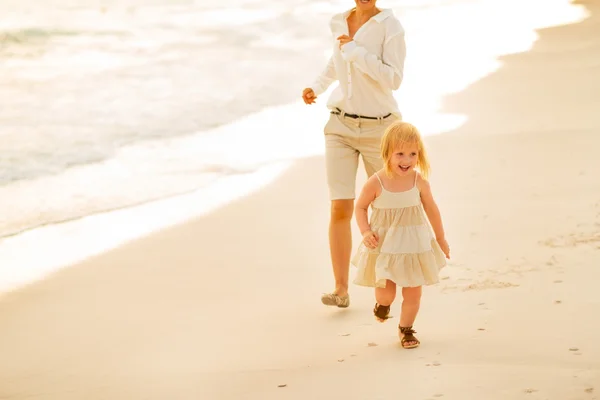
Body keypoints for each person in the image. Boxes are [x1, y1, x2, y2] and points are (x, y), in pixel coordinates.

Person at [302, 0, 407, 308]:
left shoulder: (390, 26)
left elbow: (394, 79)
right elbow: (337, 63)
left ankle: (391, 285)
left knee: (387, 209)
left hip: (381, 129)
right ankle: (340, 289)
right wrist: (316, 86)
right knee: (340, 207)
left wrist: (357, 53)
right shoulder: (338, 21)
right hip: (340, 126)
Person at [351, 121, 449, 349]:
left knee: (413, 293)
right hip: (385, 247)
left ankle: (406, 330)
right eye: (400, 154)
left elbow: (431, 208)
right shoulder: (376, 182)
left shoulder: (419, 181)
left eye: (413, 154)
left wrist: (441, 238)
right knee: (386, 295)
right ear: (387, 153)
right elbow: (360, 207)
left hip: (415, 247)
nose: (407, 160)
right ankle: (382, 306)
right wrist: (365, 231)